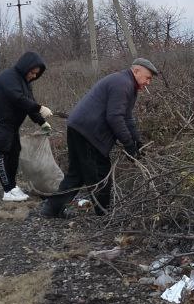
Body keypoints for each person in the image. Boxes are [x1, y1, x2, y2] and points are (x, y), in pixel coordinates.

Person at [38, 57, 158, 219]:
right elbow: (115, 117)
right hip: (88, 132)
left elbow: (127, 118)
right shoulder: (123, 84)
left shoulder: (127, 84)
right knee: (100, 172)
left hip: (79, 128)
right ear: (136, 71)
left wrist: (137, 142)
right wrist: (129, 145)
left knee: (77, 174)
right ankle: (104, 213)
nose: (148, 82)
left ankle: (51, 209)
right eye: (147, 77)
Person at [0, 51, 52, 202]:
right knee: (1, 153)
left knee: (14, 152)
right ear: (25, 67)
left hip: (9, 125)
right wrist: (40, 108)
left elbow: (29, 104)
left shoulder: (25, 83)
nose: (34, 76)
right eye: (32, 72)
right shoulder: (8, 77)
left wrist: (42, 122)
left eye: (36, 74)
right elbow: (18, 98)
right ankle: (8, 191)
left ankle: (13, 186)